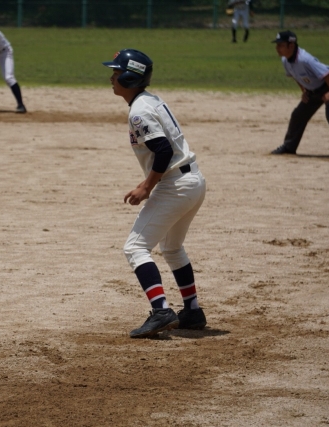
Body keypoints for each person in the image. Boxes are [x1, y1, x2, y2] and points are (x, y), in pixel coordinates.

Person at [102, 49, 208, 339]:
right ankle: (192, 311)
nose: (111, 77)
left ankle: (161, 311)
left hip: (175, 185)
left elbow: (163, 150)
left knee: (135, 248)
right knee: (172, 248)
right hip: (192, 181)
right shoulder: (149, 100)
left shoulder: (139, 110)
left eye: (116, 72)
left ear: (129, 77)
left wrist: (146, 187)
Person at [270, 31, 329, 161]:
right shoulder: (285, 60)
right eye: (277, 45)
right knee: (298, 114)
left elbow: (328, 75)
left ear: (291, 46)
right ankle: (289, 147)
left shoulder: (305, 59)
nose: (277, 48)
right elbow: (296, 76)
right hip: (313, 91)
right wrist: (304, 91)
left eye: (281, 45)